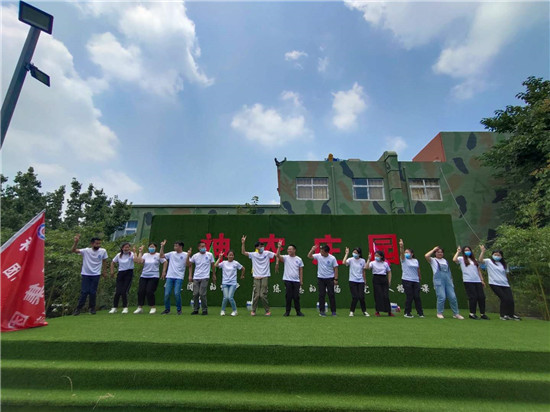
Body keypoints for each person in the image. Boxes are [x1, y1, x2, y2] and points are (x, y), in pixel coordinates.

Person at [479, 245, 520, 321]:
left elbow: (506, 274)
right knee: (504, 298)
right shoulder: (489, 261)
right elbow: (480, 260)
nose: (497, 256)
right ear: (492, 255)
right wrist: (483, 251)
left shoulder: (504, 264)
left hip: (505, 284)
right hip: (494, 283)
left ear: (501, 256)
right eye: (495, 255)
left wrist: (507, 282)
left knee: (510, 300)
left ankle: (511, 315)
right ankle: (502, 315)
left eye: (498, 255)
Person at [71, 234, 108, 315]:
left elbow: (104, 261)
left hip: (96, 274)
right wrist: (76, 242)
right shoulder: (86, 251)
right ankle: (78, 308)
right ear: (92, 244)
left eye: (99, 243)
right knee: (84, 292)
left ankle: (92, 308)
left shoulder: (103, 251)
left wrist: (104, 271)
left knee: (93, 292)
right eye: (96, 243)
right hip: (86, 274)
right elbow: (73, 250)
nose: (98, 245)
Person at [425, 246, 464, 319]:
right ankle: (439, 313)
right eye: (438, 252)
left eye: (441, 252)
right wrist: (433, 249)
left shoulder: (445, 261)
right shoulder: (433, 260)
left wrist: (451, 281)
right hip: (439, 281)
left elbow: (449, 272)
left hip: (448, 281)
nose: (440, 253)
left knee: (453, 297)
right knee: (441, 297)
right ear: (435, 253)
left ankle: (456, 313)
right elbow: (426, 256)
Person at [241, 235, 275, 316]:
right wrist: (243, 243)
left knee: (262, 295)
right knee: (256, 295)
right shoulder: (253, 254)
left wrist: (277, 263)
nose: (261, 247)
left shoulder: (267, 253)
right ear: (256, 248)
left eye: (262, 246)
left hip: (265, 276)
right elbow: (243, 252)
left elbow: (276, 255)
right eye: (260, 246)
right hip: (256, 277)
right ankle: (253, 311)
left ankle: (267, 311)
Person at [453, 246, 488, 320]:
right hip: (468, 280)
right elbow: (454, 259)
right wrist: (458, 252)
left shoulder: (474, 260)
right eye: (465, 250)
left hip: (477, 280)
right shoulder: (461, 259)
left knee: (481, 297)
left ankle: (482, 314)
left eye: (468, 250)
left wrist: (482, 280)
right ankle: (472, 313)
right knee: (473, 297)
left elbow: (478, 270)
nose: (467, 251)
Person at [134, 242, 167, 314]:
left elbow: (165, 262)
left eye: (153, 247)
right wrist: (140, 252)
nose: (151, 248)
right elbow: (139, 261)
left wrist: (164, 271)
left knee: (149, 291)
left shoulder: (158, 255)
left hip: (154, 276)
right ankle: (140, 307)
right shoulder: (145, 255)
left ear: (155, 248)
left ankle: (152, 307)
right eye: (150, 247)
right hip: (144, 276)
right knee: (140, 291)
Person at [160, 240, 192, 315]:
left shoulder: (185, 254)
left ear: (181, 247)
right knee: (167, 294)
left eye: (176, 246)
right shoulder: (171, 253)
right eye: (174, 246)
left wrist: (190, 275)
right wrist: (162, 246)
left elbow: (189, 265)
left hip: (179, 277)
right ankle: (167, 309)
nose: (175, 247)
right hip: (170, 276)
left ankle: (179, 310)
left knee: (177, 293)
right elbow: (161, 256)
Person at [307, 244, 339, 317]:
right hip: (321, 278)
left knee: (331, 295)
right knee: (321, 295)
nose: (321, 252)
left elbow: (336, 268)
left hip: (330, 278)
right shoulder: (318, 256)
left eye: (322, 251)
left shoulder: (332, 258)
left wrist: (336, 279)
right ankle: (322, 311)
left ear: (326, 252)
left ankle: (333, 311)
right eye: (320, 250)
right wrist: (312, 250)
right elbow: (309, 256)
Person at [276, 240, 305, 317]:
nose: (289, 250)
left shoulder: (299, 259)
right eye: (288, 249)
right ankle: (287, 312)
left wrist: (301, 280)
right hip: (287, 280)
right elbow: (278, 256)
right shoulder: (286, 257)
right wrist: (279, 247)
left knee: (296, 297)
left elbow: (301, 270)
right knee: (288, 296)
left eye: (290, 249)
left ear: (294, 250)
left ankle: (298, 311)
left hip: (296, 281)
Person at [215, 250, 245, 316]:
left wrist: (242, 275)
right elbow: (215, 265)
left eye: (232, 255)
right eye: (229, 255)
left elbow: (243, 268)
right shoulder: (224, 263)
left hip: (233, 283)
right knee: (225, 297)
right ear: (227, 256)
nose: (231, 256)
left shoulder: (235, 263)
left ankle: (235, 311)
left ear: (233, 256)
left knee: (230, 297)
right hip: (225, 283)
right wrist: (219, 258)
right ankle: (222, 310)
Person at [399, 239, 424, 318]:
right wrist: (401, 246)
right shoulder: (404, 259)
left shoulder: (415, 260)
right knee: (409, 296)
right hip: (406, 280)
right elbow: (401, 253)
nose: (406, 253)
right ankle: (407, 312)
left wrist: (419, 276)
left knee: (417, 296)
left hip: (415, 280)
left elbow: (418, 269)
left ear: (412, 254)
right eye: (405, 252)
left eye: (408, 252)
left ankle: (420, 313)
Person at [189, 241, 215, 315]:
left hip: (205, 277)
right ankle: (196, 309)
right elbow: (189, 264)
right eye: (202, 246)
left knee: (202, 294)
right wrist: (190, 275)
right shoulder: (195, 256)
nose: (204, 248)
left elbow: (213, 265)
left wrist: (214, 274)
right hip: (196, 277)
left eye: (204, 246)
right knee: (195, 294)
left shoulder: (209, 255)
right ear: (199, 247)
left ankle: (204, 310)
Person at [342, 246, 369, 317]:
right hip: (352, 280)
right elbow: (344, 262)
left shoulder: (362, 260)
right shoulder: (350, 259)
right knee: (355, 297)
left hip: (361, 281)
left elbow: (364, 270)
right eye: (354, 252)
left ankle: (364, 311)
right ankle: (352, 311)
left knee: (361, 297)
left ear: (359, 254)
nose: (354, 254)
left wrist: (365, 281)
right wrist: (346, 253)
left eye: (356, 253)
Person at [109, 242, 134, 314]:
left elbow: (136, 260)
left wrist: (135, 252)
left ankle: (125, 307)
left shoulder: (131, 254)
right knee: (118, 291)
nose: (127, 249)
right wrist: (112, 271)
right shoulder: (119, 255)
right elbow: (113, 262)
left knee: (124, 291)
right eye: (125, 247)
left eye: (128, 247)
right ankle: (114, 307)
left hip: (129, 273)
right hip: (121, 273)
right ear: (122, 248)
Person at [368, 250, 393, 317]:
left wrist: (389, 281)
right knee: (378, 295)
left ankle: (389, 311)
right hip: (376, 279)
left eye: (378, 256)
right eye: (375, 255)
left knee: (386, 295)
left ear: (381, 256)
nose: (376, 257)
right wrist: (368, 259)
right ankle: (378, 311)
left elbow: (389, 272)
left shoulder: (385, 263)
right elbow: (367, 267)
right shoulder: (372, 263)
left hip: (384, 279)